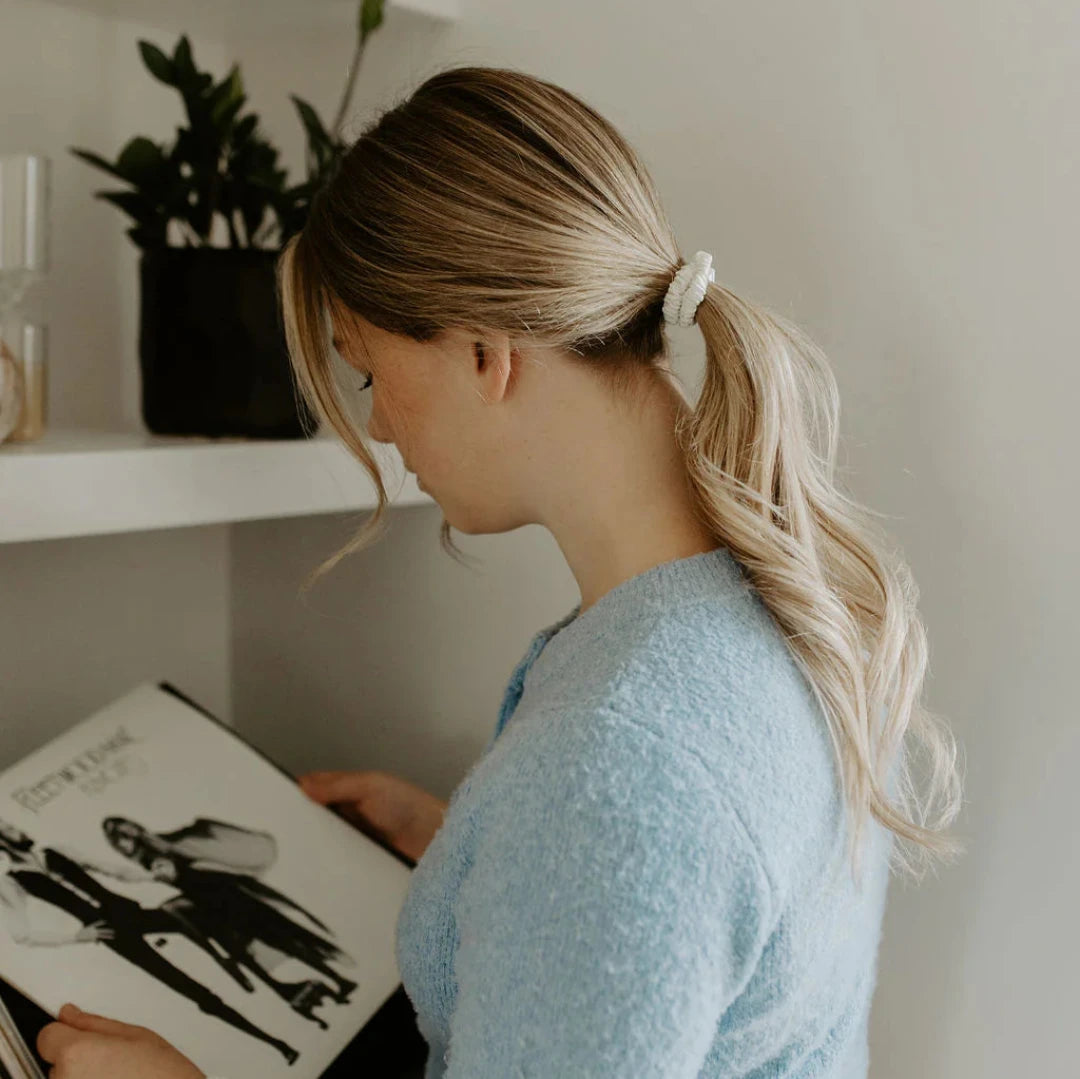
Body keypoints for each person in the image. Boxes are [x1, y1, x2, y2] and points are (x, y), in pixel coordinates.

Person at [38, 63, 965, 1079]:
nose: (381, 423)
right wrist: (474, 849)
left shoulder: (614, 769)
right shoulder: (760, 611)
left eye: (368, 369)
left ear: (487, 352)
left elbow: (631, 826)